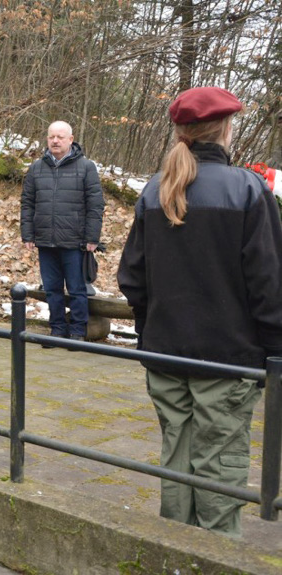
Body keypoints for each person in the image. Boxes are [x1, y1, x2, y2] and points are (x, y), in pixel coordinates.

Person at [117, 86, 282, 537]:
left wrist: (155, 328)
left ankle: (175, 551)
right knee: (220, 464)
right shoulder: (247, 189)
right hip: (227, 359)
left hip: (168, 356)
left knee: (178, 456)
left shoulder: (156, 188)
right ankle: (215, 558)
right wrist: (274, 351)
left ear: (181, 131)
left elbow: (131, 278)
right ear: (227, 128)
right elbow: (269, 285)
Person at [20, 121, 104, 345]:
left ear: (70, 139)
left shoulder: (86, 167)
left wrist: (92, 237)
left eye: (60, 137)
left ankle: (77, 332)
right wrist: (28, 234)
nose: (55, 141)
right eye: (51, 137)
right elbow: (27, 203)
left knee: (77, 289)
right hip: (45, 240)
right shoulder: (37, 168)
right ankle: (57, 329)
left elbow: (95, 205)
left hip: (75, 241)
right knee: (52, 289)